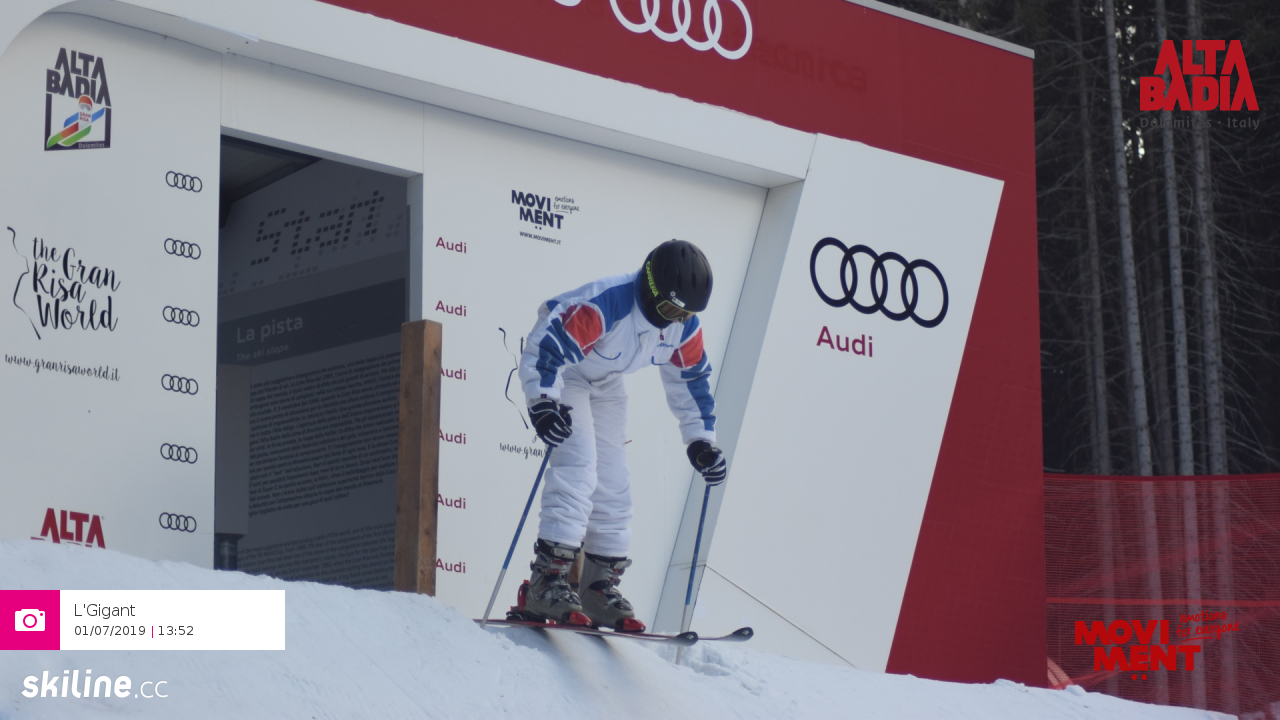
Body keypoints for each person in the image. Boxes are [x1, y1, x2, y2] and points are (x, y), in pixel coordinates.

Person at [515, 239, 728, 631]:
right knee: (579, 466)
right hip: (568, 375)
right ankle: (548, 579)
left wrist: (701, 440)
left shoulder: (682, 327)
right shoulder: (606, 304)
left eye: (685, 314)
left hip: (607, 382)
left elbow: (692, 380)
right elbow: (546, 346)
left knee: (613, 481)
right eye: (671, 310)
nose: (675, 321)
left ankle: (599, 587)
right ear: (650, 289)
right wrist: (543, 400)